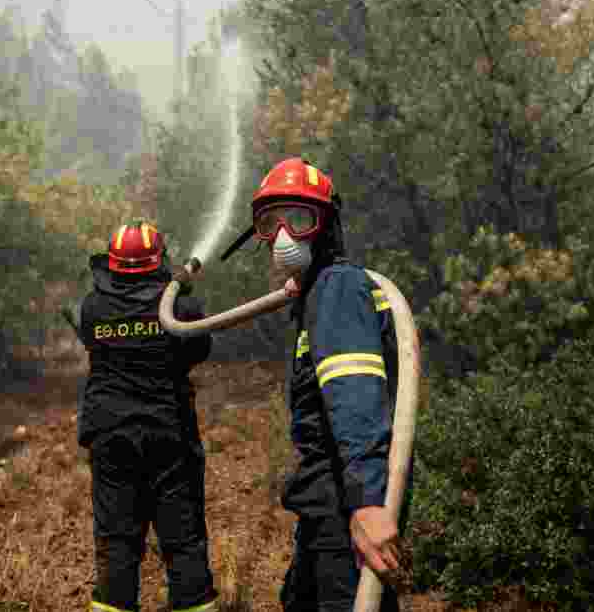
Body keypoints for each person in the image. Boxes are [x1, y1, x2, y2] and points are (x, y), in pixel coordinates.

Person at [222, 157, 413, 612]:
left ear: (325, 226)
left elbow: (356, 398)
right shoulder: (319, 292)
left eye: (300, 219)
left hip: (344, 505)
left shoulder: (338, 289)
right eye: (271, 222)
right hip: (323, 505)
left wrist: (367, 504)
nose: (284, 236)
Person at [75, 221, 218, 612]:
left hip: (112, 438)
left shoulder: (92, 306)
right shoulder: (179, 306)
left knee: (117, 542)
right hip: (168, 437)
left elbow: (94, 343)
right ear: (159, 260)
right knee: (183, 541)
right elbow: (199, 350)